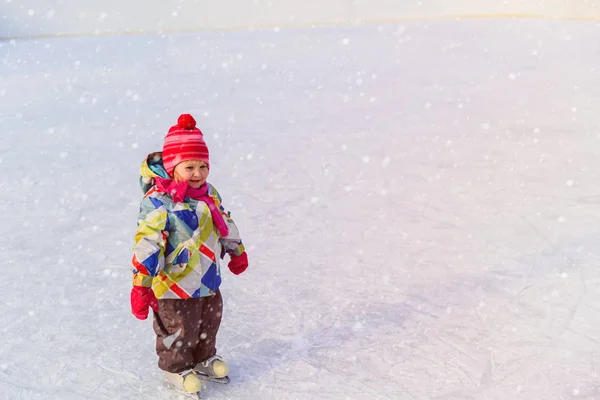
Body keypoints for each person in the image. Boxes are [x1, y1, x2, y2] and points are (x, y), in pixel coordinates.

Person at [129, 113, 249, 394]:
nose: (198, 174)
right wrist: (141, 284)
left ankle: (204, 357)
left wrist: (236, 250)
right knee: (178, 327)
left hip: (208, 277)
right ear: (172, 167)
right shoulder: (158, 201)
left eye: (203, 166)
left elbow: (224, 222)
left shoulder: (209, 194)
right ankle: (175, 368)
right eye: (190, 167)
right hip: (173, 282)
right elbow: (147, 242)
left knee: (209, 320)